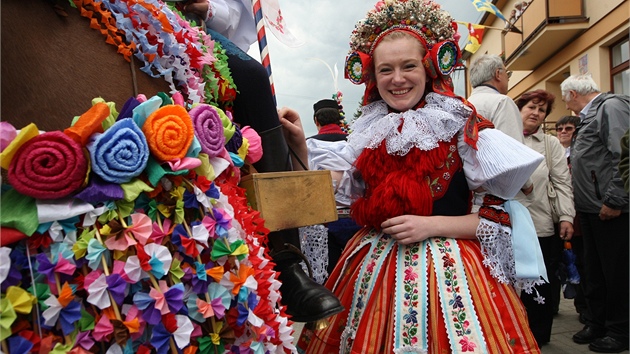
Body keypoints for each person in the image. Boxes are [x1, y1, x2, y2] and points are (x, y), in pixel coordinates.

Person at [281, 0, 548, 352]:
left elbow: (498, 220)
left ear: (429, 68)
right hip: (372, 270)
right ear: (373, 76)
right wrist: (299, 146)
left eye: (409, 66)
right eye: (385, 69)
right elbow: (328, 198)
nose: (398, 79)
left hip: (453, 273)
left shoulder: (462, 127)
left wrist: (431, 225)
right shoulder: (367, 132)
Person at [182, 0, 344, 322]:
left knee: (251, 75)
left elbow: (235, 11)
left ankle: (286, 261)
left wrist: (209, 7)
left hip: (183, 20)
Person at [560, 74, 629, 352]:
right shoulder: (592, 114)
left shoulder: (610, 107)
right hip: (590, 208)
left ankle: (621, 330)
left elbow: (623, 155)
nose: (567, 106)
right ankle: (598, 323)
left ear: (574, 93)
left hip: (610, 209)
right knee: (595, 271)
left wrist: (615, 199)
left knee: (617, 273)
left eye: (566, 99)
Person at [515, 89, 575, 346]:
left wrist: (566, 217)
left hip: (539, 226)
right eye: (531, 107)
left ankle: (538, 337)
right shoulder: (504, 137)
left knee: (540, 284)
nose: (536, 113)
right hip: (506, 225)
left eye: (542, 110)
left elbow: (562, 183)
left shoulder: (550, 145)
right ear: (519, 109)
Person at [468, 54, 533, 206]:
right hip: (499, 196)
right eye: (507, 73)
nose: (508, 78)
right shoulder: (502, 102)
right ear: (498, 74)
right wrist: (528, 185)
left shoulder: (464, 104)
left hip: (472, 194)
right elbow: (513, 153)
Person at [307, 99, 361, 275]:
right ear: (339, 120)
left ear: (316, 121)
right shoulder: (356, 145)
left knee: (327, 276)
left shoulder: (307, 146)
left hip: (323, 224)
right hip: (357, 221)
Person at [555, 115, 588, 322]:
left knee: (582, 263)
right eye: (559, 129)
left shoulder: (580, 155)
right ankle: (572, 304)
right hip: (560, 218)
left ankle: (585, 307)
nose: (563, 132)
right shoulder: (556, 152)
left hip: (579, 216)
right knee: (563, 264)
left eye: (568, 128)